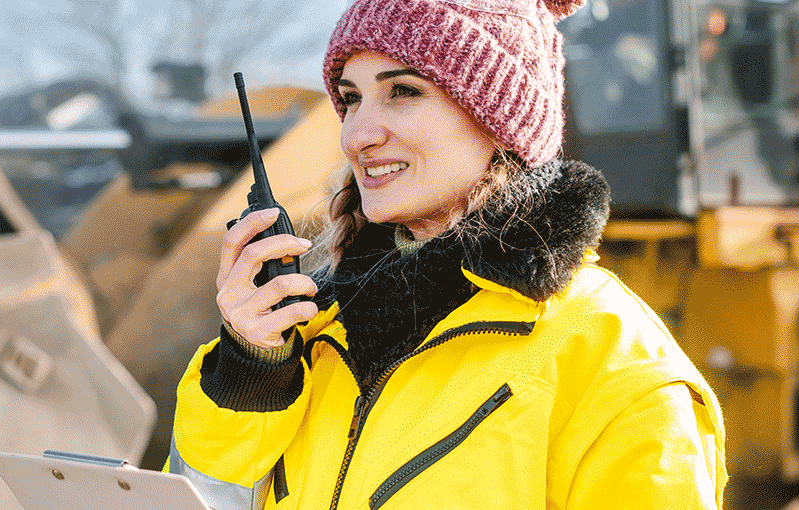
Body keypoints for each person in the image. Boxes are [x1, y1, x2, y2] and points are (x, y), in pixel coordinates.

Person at [169, 0, 728, 508]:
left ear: (499, 119)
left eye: (404, 91)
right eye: (350, 97)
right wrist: (250, 375)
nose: (355, 134)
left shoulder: (615, 369)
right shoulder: (310, 336)